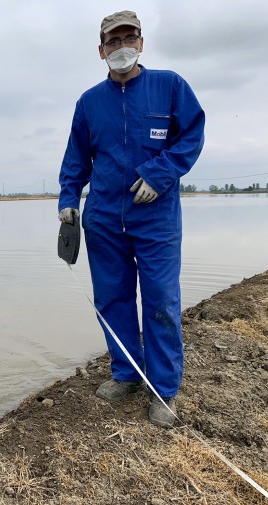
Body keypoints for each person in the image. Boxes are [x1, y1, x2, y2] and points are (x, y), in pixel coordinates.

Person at [58, 11, 205, 428]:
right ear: (101, 50)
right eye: (112, 40)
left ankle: (163, 388)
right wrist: (69, 198)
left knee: (161, 300)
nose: (120, 46)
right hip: (103, 216)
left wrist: (159, 174)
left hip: (155, 215)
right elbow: (76, 156)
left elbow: (191, 136)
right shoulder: (89, 102)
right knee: (112, 299)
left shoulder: (170, 86)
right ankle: (127, 373)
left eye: (129, 37)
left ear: (141, 43)